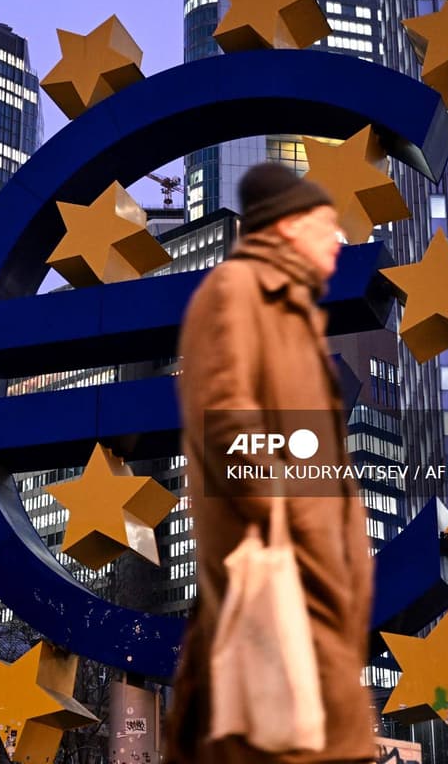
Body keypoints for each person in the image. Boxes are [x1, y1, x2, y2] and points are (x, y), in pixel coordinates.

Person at [165, 162, 375, 764]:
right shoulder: (235, 295)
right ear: (285, 228)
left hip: (309, 583)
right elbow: (227, 428)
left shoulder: (293, 317)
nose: (335, 248)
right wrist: (304, 520)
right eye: (323, 230)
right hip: (277, 577)